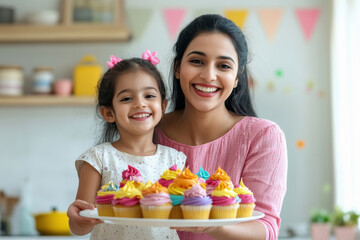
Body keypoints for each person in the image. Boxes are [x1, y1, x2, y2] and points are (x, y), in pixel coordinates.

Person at [154, 14, 287, 240]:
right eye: (197, 61)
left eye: (223, 65)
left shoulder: (263, 136)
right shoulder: (149, 130)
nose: (209, 75)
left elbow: (266, 228)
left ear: (237, 77)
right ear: (177, 68)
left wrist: (213, 226)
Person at [67, 50, 186, 240]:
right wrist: (77, 219)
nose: (140, 104)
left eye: (149, 96)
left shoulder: (175, 160)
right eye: (126, 98)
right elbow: (80, 226)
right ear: (108, 113)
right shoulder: (97, 159)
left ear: (163, 107)